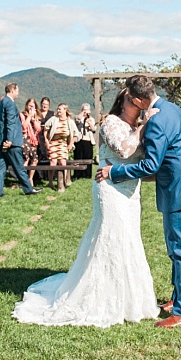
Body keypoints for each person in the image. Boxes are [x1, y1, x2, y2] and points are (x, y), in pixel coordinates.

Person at [13, 89, 159, 327]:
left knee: (129, 239)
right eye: (136, 99)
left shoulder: (141, 125)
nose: (141, 103)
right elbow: (123, 150)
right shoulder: (110, 122)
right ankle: (100, 298)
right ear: (125, 101)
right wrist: (143, 128)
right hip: (110, 190)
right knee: (111, 237)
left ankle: (127, 300)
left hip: (131, 191)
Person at [96, 74, 181, 329]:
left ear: (137, 99)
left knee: (180, 250)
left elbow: (151, 164)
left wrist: (114, 172)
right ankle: (179, 297)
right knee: (175, 247)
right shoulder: (173, 108)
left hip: (179, 187)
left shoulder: (155, 121)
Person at [0, 83, 42, 198]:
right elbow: (10, 122)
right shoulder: (9, 103)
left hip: (0, 141)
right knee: (19, 166)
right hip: (11, 142)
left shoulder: (2, 102)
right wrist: (9, 140)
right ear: (13, 90)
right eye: (17, 90)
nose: (18, 93)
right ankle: (28, 189)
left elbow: (1, 122)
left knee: (0, 167)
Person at [42, 104, 78, 192]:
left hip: (63, 144)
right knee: (53, 163)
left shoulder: (70, 122)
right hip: (53, 143)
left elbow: (75, 134)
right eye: (57, 109)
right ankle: (50, 182)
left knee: (62, 162)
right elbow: (45, 129)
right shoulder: (53, 119)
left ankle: (63, 182)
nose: (58, 111)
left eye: (60, 109)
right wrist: (46, 141)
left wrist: (70, 144)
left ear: (65, 110)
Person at [20, 98, 42, 187]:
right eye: (30, 105)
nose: (31, 107)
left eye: (33, 106)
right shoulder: (22, 114)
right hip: (25, 139)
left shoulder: (37, 116)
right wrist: (29, 116)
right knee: (26, 159)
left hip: (34, 140)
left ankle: (30, 178)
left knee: (34, 159)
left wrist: (34, 119)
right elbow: (24, 126)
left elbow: (38, 129)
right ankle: (23, 180)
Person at [72, 103, 97, 180]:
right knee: (78, 157)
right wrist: (82, 114)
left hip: (88, 140)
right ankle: (77, 174)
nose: (86, 111)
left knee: (87, 157)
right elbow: (76, 120)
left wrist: (90, 124)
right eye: (84, 109)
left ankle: (87, 174)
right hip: (79, 139)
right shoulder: (79, 117)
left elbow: (94, 129)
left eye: (87, 110)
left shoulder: (91, 119)